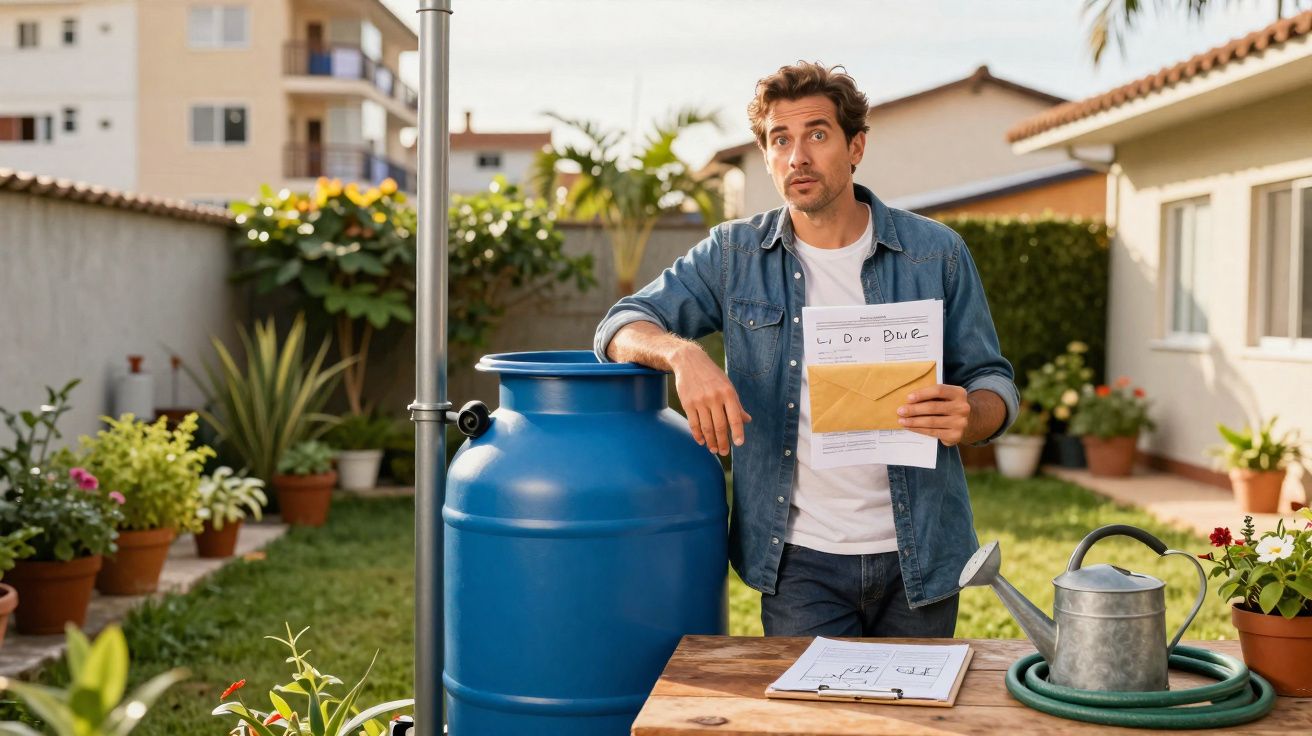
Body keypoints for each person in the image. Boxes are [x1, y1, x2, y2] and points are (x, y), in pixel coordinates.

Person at [592, 61, 1018, 637]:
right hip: (799, 563)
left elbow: (993, 380)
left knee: (912, 725)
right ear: (766, 154)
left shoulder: (935, 253)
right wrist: (684, 357)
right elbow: (620, 325)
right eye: (780, 140)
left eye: (817, 134)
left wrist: (970, 415)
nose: (798, 157)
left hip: (919, 555)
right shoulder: (732, 254)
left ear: (856, 145)